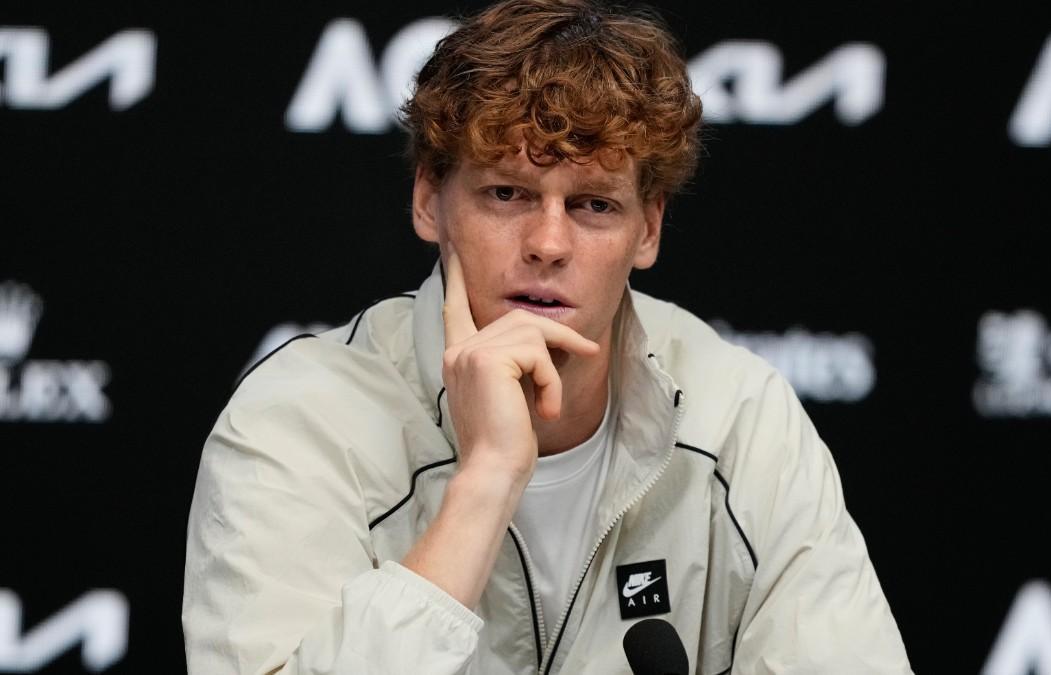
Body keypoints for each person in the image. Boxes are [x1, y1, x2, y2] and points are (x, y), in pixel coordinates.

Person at [182, 0, 913, 672]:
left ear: (648, 228)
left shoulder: (740, 418)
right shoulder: (296, 423)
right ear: (429, 198)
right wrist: (488, 478)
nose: (548, 243)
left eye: (594, 205)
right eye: (507, 193)